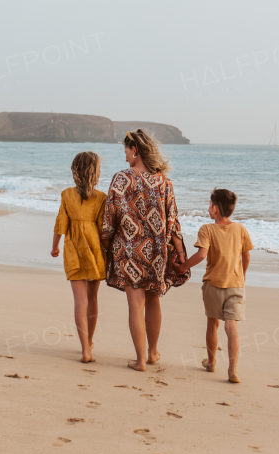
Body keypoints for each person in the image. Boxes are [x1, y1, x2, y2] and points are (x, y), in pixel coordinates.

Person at [101, 129, 188, 371]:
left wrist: (107, 246)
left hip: (130, 250)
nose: (125, 157)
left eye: (126, 151)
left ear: (135, 150)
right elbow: (173, 221)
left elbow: (110, 218)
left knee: (134, 304)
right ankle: (152, 352)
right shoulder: (164, 182)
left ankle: (139, 361)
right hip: (157, 251)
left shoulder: (121, 179)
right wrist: (180, 253)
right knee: (153, 300)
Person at [177, 188, 252, 383]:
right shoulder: (241, 229)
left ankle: (211, 362)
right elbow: (246, 256)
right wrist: (242, 276)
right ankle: (233, 370)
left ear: (216, 209)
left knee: (212, 323)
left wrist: (183, 267)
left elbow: (201, 255)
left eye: (210, 205)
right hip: (236, 285)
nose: (208, 208)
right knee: (231, 327)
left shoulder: (207, 229)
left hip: (213, 284)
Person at [51, 152, 106, 363]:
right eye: (99, 168)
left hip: (73, 250)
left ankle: (85, 349)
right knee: (92, 299)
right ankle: (89, 343)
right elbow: (104, 230)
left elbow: (60, 224)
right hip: (95, 252)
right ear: (94, 173)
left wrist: (55, 246)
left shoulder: (66, 195)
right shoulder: (101, 198)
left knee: (80, 301)